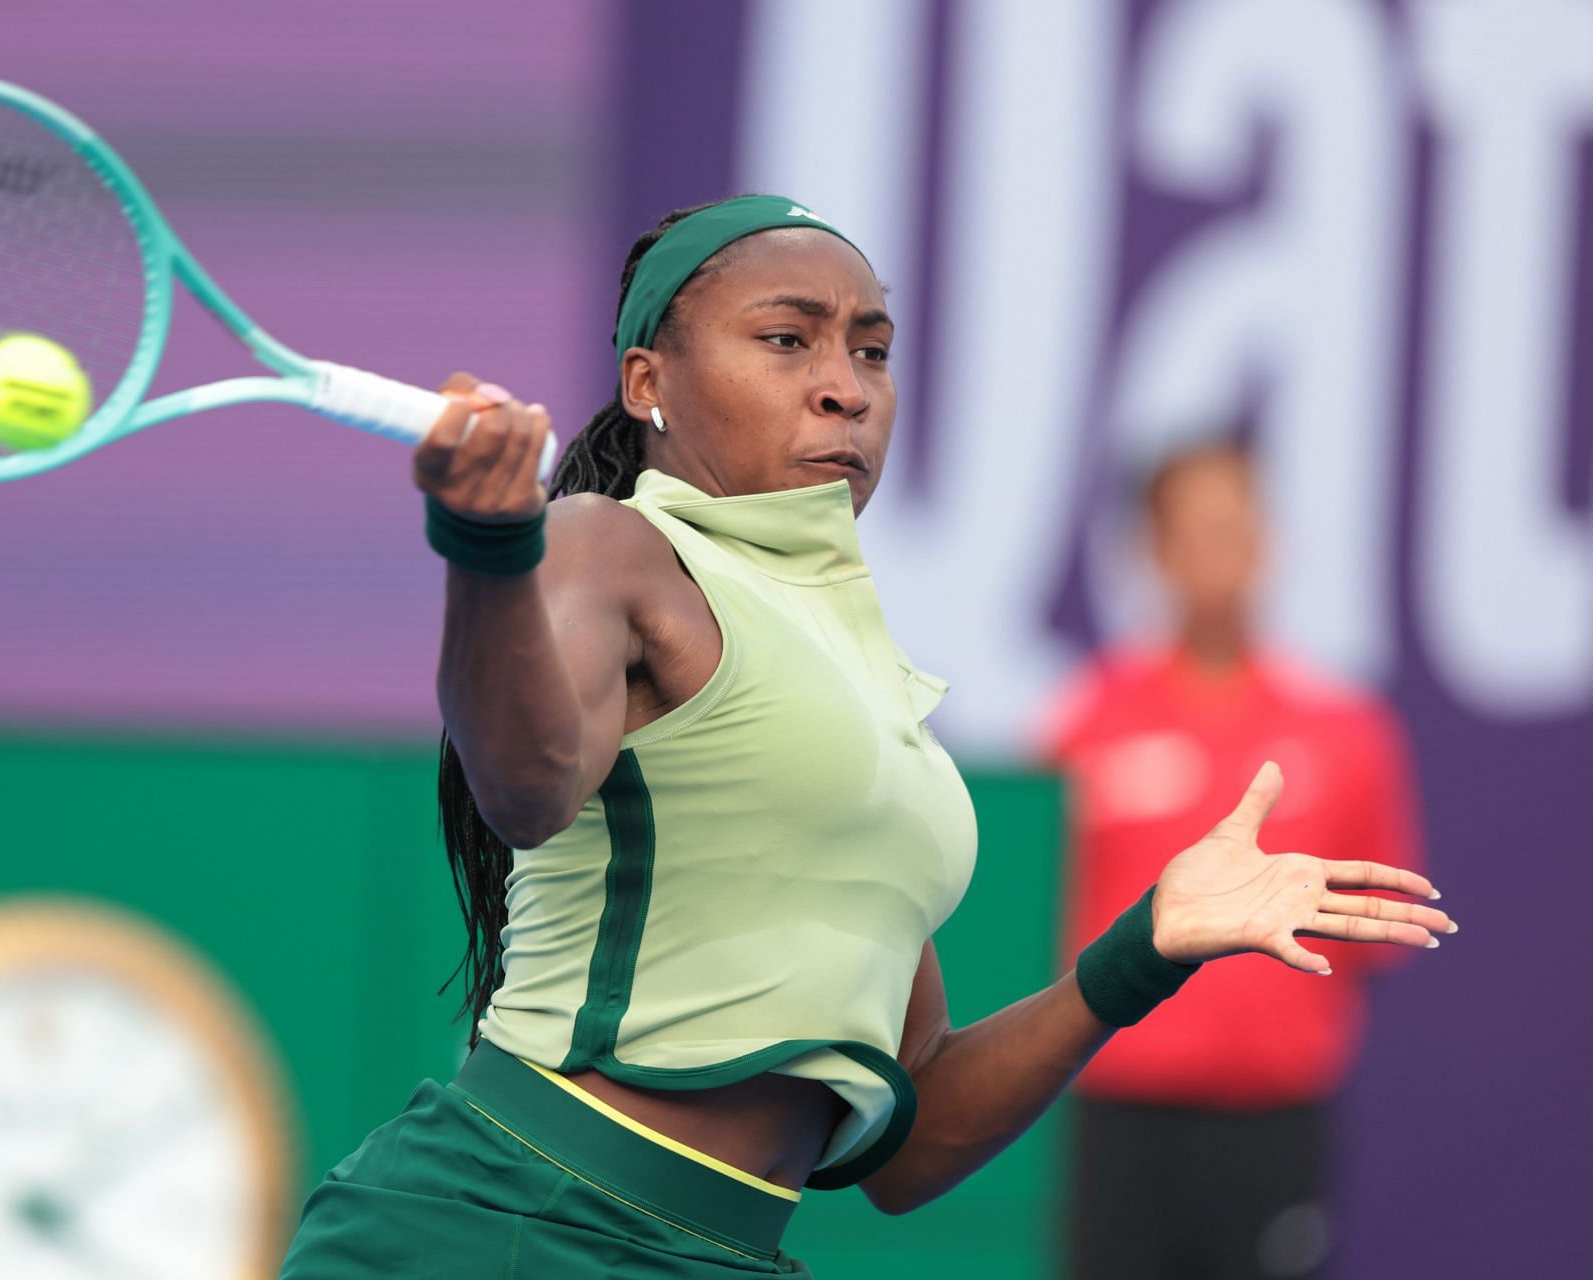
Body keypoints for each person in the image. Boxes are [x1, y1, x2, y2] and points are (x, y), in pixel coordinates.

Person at [276, 197, 1451, 1279]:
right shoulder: (610, 543)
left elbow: (910, 1137)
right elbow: (526, 786)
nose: (846, 385)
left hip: (719, 1250)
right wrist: (489, 548)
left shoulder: (872, 687)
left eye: (871, 348)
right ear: (650, 383)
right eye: (788, 340)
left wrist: (1142, 947)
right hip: (512, 1222)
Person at [1044, 439, 1428, 1280]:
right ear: (1154, 549)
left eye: (1240, 524)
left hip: (1272, 1120)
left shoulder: (1348, 732)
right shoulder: (1085, 724)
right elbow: (1043, 913)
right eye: (1199, 527)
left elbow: (1374, 927)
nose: (1224, 549)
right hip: (1118, 1117)